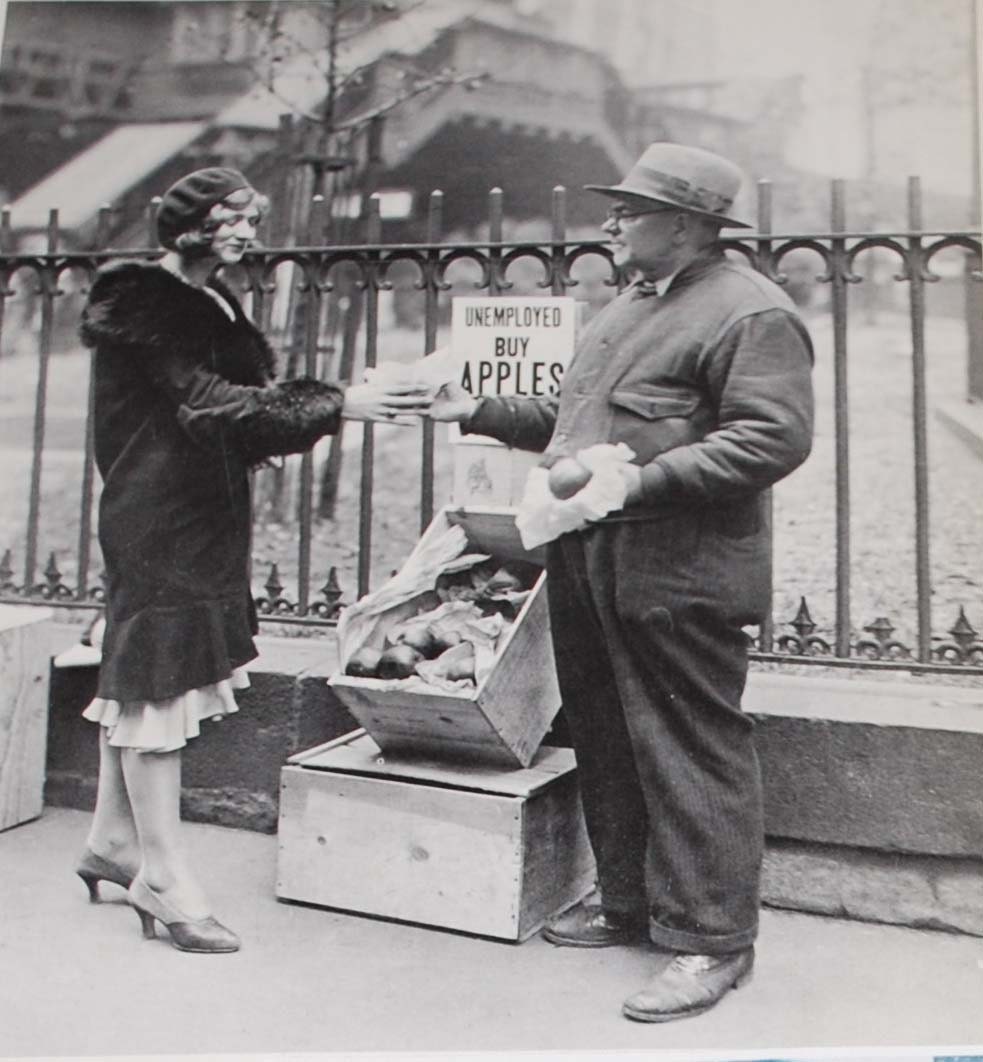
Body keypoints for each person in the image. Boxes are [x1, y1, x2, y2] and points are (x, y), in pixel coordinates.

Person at [430, 143, 814, 1022]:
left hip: (679, 565)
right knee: (603, 731)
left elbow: (770, 441)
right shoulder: (631, 305)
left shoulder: (750, 313)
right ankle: (629, 901)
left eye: (628, 211)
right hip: (591, 555)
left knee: (688, 745)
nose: (608, 224)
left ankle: (712, 941)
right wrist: (474, 409)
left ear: (684, 224)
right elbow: (575, 425)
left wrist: (634, 483)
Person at [75, 167, 430, 953]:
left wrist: (317, 409)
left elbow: (232, 411)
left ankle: (111, 841)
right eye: (231, 217)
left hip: (199, 512)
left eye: (250, 217)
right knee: (156, 687)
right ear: (188, 225)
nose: (246, 230)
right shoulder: (150, 305)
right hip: (158, 517)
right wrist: (336, 403)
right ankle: (162, 880)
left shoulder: (211, 299)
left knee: (149, 677)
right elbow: (207, 402)